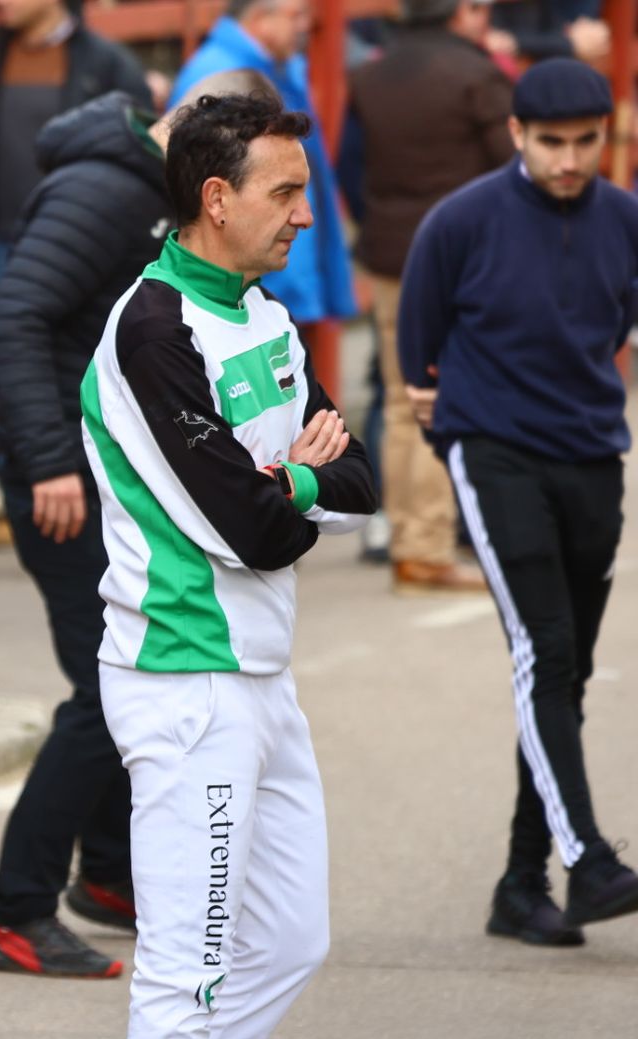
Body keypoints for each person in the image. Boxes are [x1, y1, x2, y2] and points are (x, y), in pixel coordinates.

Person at [84, 92, 377, 1039]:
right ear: (216, 198)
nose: (305, 214)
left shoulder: (263, 313)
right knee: (186, 969)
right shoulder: (152, 331)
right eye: (285, 192)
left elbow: (357, 479)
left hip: (258, 671)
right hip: (184, 679)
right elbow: (252, 534)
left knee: (291, 942)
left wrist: (291, 475)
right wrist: (297, 489)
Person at [0, 70, 277, 979]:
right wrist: (49, 460)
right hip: (59, 482)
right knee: (104, 696)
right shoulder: (105, 190)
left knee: (113, 679)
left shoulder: (156, 195)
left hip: (104, 478)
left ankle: (106, 875)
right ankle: (15, 908)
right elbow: (16, 318)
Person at [399, 58, 638, 946]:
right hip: (494, 451)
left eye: (586, 141)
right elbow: (417, 345)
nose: (570, 159)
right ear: (516, 136)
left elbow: (615, 327)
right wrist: (457, 430)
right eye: (551, 142)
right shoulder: (459, 222)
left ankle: (518, 881)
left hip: (593, 457)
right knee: (545, 651)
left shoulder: (624, 219)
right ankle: (588, 859)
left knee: (563, 672)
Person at [0, 0, 153, 520]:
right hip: (1, 236)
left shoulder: (106, 63)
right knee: (13, 349)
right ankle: (15, 486)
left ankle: (94, 486)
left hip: (85, 239)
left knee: (79, 353)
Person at [340, 0, 510, 594]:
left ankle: (411, 545)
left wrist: (377, 219)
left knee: (400, 399)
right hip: (466, 260)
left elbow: (348, 167)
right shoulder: (476, 74)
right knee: (451, 400)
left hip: (390, 254)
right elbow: (513, 171)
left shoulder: (369, 75)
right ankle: (432, 546)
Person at [171, 0, 357, 328]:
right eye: (296, 15)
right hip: (254, 281)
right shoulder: (219, 78)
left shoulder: (282, 68)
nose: (305, 26)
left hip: (283, 266)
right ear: (260, 18)